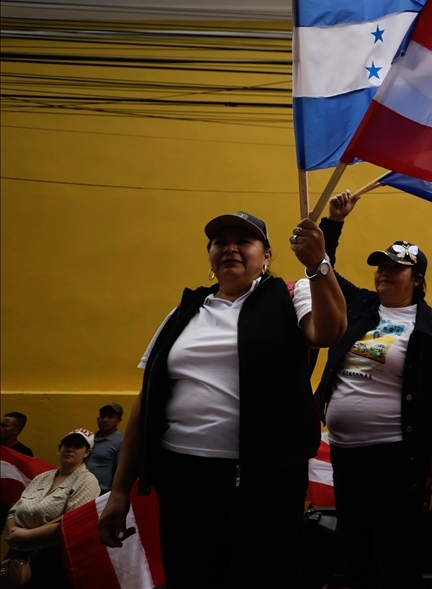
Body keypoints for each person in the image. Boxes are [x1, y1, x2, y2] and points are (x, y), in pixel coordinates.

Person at [96, 211, 347, 589]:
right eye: (220, 242)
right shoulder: (185, 311)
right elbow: (146, 402)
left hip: (266, 485)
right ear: (210, 256)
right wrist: (119, 491)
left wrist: (318, 265)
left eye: (243, 241)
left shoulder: (291, 294)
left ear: (267, 255)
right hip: (183, 482)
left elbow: (328, 331)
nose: (230, 248)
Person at [315, 191, 432, 589]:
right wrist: (334, 222)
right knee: (354, 554)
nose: (385, 273)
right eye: (381, 266)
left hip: (396, 460)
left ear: (418, 280)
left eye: (397, 268)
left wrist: (430, 464)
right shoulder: (359, 305)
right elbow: (323, 269)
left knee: (395, 557)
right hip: (345, 455)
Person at [4, 428, 100, 589]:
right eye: (67, 445)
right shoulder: (41, 478)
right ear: (59, 449)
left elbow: (72, 523)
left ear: (87, 453)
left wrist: (27, 535)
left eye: (77, 446)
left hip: (51, 557)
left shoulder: (87, 481)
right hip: (17, 551)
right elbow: (14, 511)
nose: (70, 449)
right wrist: (14, 531)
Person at [89, 403, 123, 494]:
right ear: (98, 419)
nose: (105, 420)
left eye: (110, 417)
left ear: (118, 420)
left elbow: (120, 472)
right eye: (103, 416)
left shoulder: (121, 442)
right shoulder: (89, 439)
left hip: (103, 492)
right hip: (84, 489)